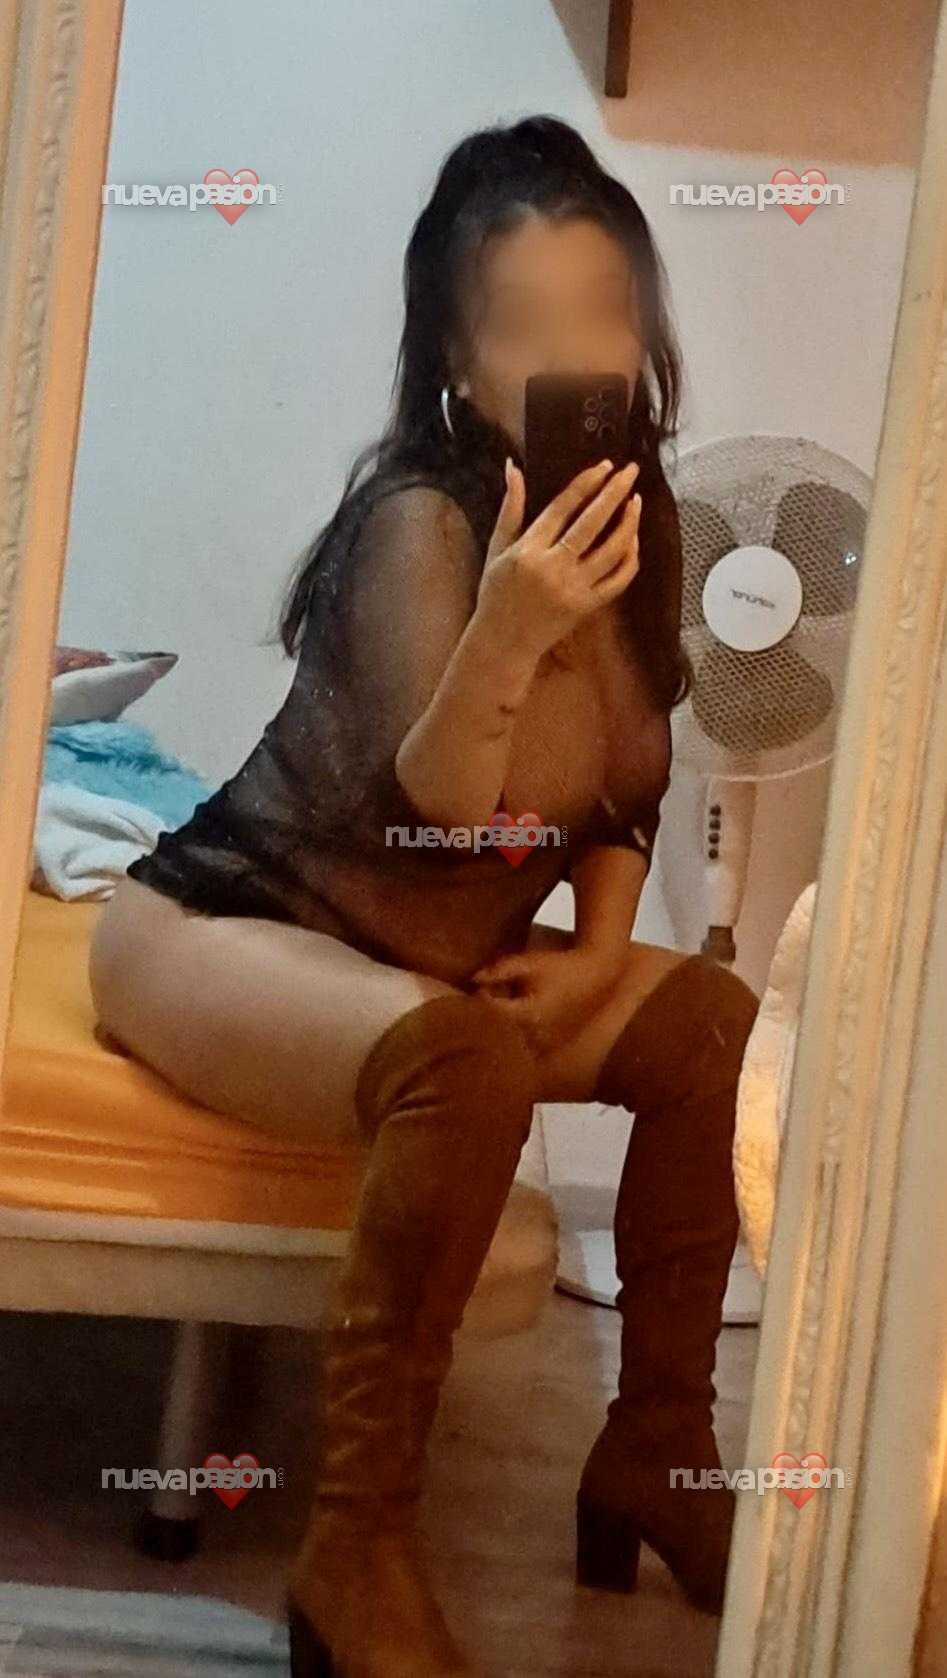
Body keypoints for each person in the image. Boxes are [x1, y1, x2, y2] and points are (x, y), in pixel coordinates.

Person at [89, 114, 760, 1677]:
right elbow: (442, 806)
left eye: (606, 313)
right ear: (459, 364)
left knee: (712, 1025)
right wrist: (510, 626)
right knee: (466, 1065)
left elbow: (626, 782)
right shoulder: (420, 518)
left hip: (425, 967)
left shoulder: (642, 520)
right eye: (532, 327)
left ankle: (657, 1445)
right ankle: (356, 1551)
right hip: (229, 928)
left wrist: (601, 956)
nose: (580, 357)